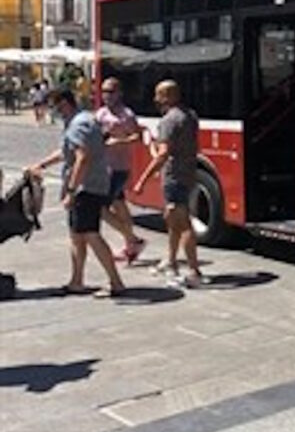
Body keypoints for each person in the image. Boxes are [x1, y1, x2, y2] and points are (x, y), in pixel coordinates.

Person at [27, 87, 125, 298]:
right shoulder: (84, 119)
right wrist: (41, 164)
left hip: (85, 187)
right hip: (93, 184)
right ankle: (76, 281)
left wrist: (71, 190)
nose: (53, 112)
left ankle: (116, 282)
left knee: (90, 234)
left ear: (64, 104)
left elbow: (83, 157)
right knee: (77, 235)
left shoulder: (77, 125)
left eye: (54, 107)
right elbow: (66, 152)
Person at [133, 79, 206, 288]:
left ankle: (194, 270)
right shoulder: (190, 116)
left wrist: (142, 180)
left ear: (167, 97)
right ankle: (172, 262)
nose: (156, 99)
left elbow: (163, 154)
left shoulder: (168, 121)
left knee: (182, 223)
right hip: (188, 173)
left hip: (174, 177)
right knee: (172, 219)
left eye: (159, 95)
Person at [95, 77, 147, 263]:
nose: (106, 95)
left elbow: (138, 138)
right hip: (103, 167)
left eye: (110, 91)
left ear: (119, 93)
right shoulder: (100, 114)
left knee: (100, 208)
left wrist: (120, 141)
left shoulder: (126, 115)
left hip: (118, 168)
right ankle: (130, 244)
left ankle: (134, 240)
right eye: (104, 91)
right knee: (119, 205)